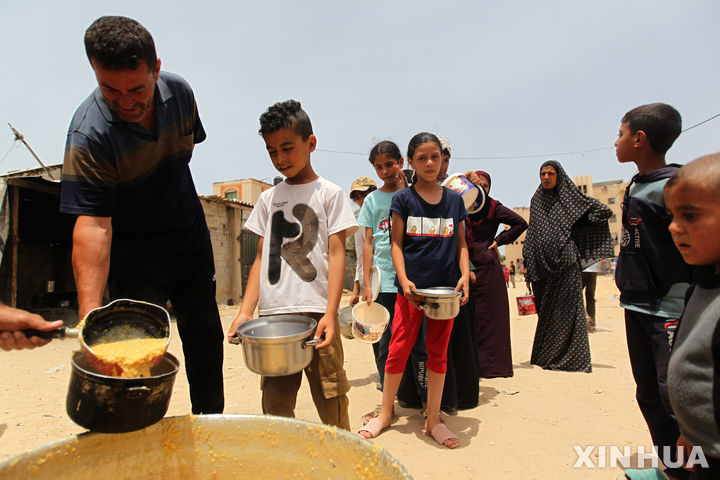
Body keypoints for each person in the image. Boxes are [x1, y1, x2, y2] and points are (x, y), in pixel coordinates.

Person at [60, 16, 223, 413]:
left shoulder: (181, 93)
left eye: (138, 88)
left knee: (205, 340)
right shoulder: (88, 134)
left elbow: (184, 153)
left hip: (189, 241)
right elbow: (94, 226)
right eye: (110, 90)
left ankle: (213, 426)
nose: (127, 102)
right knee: (135, 359)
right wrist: (90, 321)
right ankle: (142, 441)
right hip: (135, 260)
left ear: (157, 69)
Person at [227, 100, 357, 430]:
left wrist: (330, 313)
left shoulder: (330, 193)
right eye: (272, 151)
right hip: (274, 318)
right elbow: (259, 259)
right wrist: (245, 311)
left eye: (287, 148)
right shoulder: (269, 199)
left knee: (331, 395)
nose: (280, 159)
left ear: (310, 143)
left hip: (316, 313)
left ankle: (343, 458)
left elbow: (337, 253)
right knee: (276, 401)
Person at [358, 132, 469, 448]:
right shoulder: (403, 200)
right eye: (422, 158)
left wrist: (463, 275)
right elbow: (395, 244)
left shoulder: (454, 201)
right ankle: (385, 413)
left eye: (435, 156)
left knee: (437, 353)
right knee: (397, 348)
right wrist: (404, 280)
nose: (430, 163)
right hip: (412, 292)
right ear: (411, 163)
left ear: (442, 160)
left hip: (445, 293)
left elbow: (461, 244)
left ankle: (433, 419)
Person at [614, 103, 694, 480]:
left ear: (639, 139)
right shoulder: (638, 184)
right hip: (636, 306)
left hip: (669, 310)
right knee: (648, 395)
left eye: (621, 133)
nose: (616, 142)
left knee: (675, 398)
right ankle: (672, 470)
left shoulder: (674, 186)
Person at [523, 160, 613, 373]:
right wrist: (528, 261)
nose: (546, 177)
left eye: (550, 173)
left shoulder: (570, 197)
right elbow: (533, 233)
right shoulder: (536, 200)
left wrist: (579, 227)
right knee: (545, 313)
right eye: (543, 173)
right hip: (541, 267)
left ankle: (571, 360)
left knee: (568, 312)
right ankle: (546, 358)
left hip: (566, 264)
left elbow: (603, 211)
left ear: (559, 176)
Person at [357, 141, 424, 424]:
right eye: (378, 167)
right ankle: (388, 405)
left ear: (400, 162)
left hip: (413, 280)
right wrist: (367, 282)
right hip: (383, 281)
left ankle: (426, 402)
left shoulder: (413, 195)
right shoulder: (372, 201)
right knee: (385, 345)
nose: (385, 171)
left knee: (419, 345)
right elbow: (368, 243)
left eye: (389, 164)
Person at [665, 154, 720, 479]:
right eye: (672, 214)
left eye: (689, 215)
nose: (674, 226)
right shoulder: (700, 288)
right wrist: (692, 433)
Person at [464, 170, 527, 378]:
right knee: (469, 318)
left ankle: (492, 367)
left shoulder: (493, 206)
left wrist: (500, 240)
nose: (481, 189)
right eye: (477, 185)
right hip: (465, 265)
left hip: (489, 268)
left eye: (485, 186)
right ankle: (471, 367)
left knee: (492, 319)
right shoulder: (461, 205)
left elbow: (520, 223)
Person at [348, 176, 377, 307]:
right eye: (358, 198)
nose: (362, 201)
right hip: (373, 280)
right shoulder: (358, 222)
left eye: (365, 195)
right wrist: (356, 290)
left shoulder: (388, 212)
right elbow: (361, 258)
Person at [582, 261, 602, 332]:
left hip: (583, 268)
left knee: (577, 296)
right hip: (593, 268)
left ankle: (585, 320)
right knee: (590, 297)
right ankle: (591, 323)